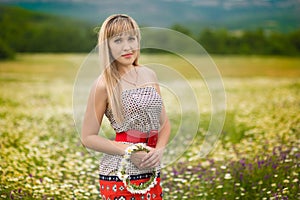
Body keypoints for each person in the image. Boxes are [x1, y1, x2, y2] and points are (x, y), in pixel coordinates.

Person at [81, 14, 171, 199]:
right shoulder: (103, 84)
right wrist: (130, 152)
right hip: (118, 173)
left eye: (131, 38)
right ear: (107, 46)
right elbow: (87, 137)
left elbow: (165, 124)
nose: (127, 47)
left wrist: (160, 150)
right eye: (118, 40)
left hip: (151, 170)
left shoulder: (149, 74)